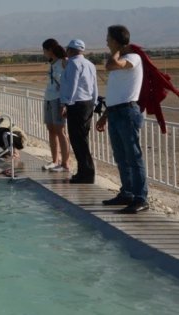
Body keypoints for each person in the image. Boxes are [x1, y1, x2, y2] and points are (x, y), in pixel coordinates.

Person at [96, 25, 149, 214]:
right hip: (115, 111)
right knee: (120, 156)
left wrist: (117, 51)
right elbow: (116, 93)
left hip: (128, 113)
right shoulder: (120, 59)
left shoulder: (132, 58)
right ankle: (126, 193)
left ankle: (141, 197)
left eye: (109, 38)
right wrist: (104, 116)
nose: (106, 42)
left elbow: (110, 65)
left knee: (133, 157)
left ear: (117, 41)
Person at [60, 39, 98, 184]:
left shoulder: (73, 64)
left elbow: (72, 85)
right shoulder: (89, 64)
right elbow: (94, 85)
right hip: (87, 103)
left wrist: (65, 103)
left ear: (70, 50)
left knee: (77, 139)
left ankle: (87, 173)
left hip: (76, 104)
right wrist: (94, 102)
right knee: (82, 138)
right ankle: (84, 171)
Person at [41, 39, 70, 173]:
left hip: (58, 99)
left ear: (50, 50)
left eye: (44, 50)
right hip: (48, 98)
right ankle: (54, 160)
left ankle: (65, 163)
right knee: (51, 129)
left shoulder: (64, 63)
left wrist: (64, 103)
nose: (44, 53)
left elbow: (66, 83)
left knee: (60, 131)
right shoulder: (52, 64)